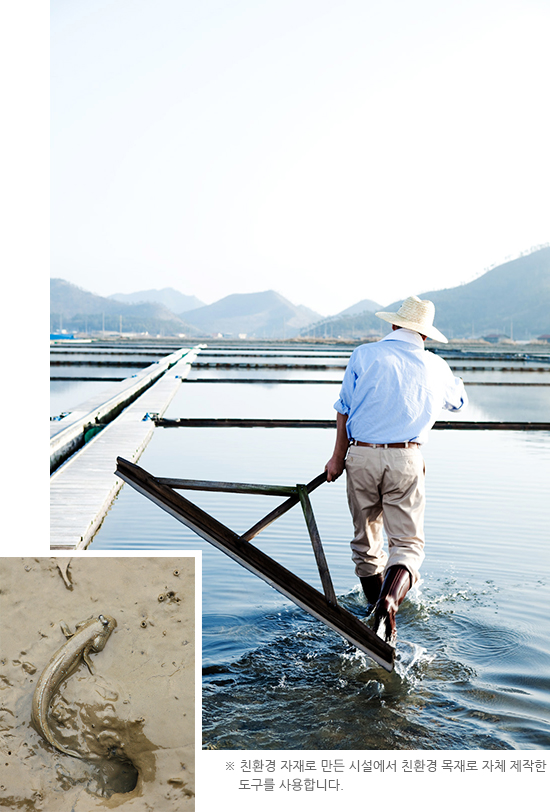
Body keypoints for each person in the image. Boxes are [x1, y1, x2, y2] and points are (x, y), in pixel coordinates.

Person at [325, 295, 467, 644]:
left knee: (366, 544)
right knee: (406, 545)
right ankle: (389, 602)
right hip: (405, 458)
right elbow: (458, 403)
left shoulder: (364, 354)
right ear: (426, 335)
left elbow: (343, 408)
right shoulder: (436, 365)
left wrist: (336, 458)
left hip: (360, 456)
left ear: (392, 325)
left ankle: (374, 616)